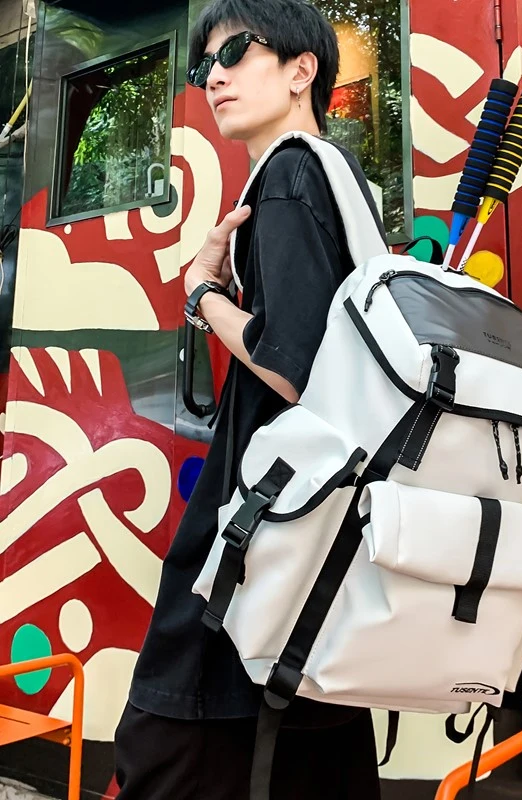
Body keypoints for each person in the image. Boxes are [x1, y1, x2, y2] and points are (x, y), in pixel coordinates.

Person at [114, 1, 385, 797]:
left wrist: (202, 293)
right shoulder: (342, 179)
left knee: (172, 737)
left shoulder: (290, 173)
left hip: (259, 537)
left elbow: (291, 365)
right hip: (320, 539)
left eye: (235, 51)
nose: (215, 76)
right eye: (204, 66)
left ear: (304, 70)